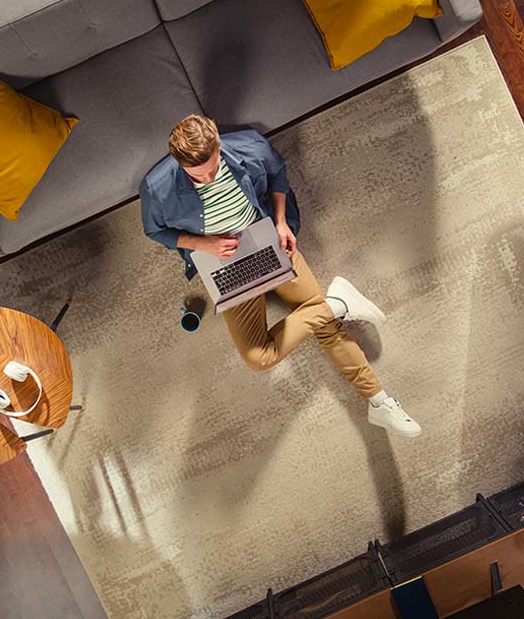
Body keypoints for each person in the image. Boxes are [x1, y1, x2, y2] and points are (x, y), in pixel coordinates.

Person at [139, 114, 421, 436]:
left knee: (324, 326)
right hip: (224, 266)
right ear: (178, 164)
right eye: (198, 175)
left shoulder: (248, 146)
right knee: (259, 357)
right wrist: (203, 244)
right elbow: (155, 231)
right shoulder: (155, 187)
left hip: (267, 241)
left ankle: (379, 401)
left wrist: (280, 221)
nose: (208, 178)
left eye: (214, 168)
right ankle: (338, 303)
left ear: (219, 145)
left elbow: (278, 172)